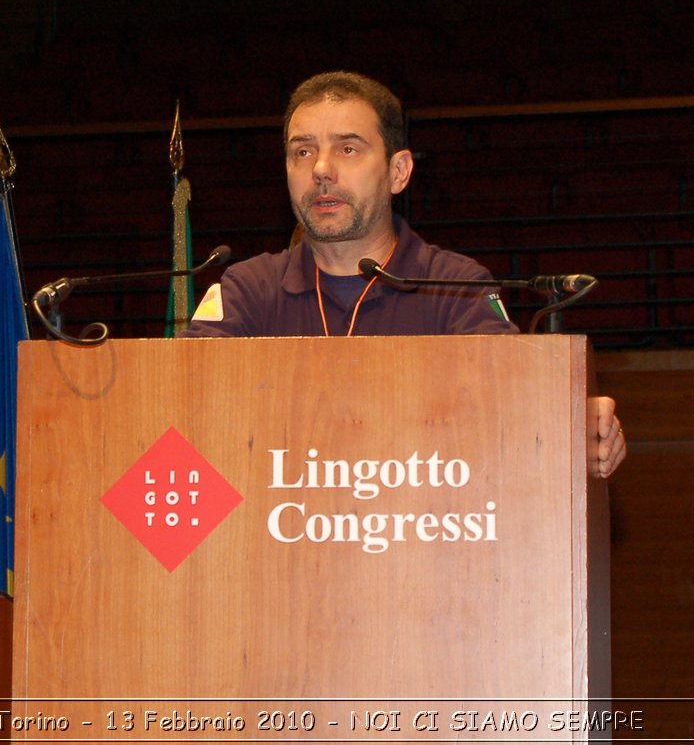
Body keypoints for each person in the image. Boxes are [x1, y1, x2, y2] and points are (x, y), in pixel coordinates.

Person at [183, 70, 627, 478]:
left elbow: (509, 409)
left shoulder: (455, 288)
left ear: (399, 172)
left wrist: (572, 427)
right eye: (303, 151)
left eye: (348, 148)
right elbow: (186, 406)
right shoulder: (247, 291)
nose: (320, 169)